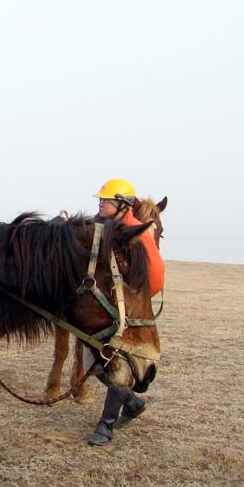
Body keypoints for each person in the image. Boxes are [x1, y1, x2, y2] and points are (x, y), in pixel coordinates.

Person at [87, 178, 165, 446]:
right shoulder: (104, 227)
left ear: (122, 205)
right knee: (94, 365)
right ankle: (132, 403)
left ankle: (106, 425)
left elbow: (147, 279)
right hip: (105, 305)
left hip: (128, 309)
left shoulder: (135, 235)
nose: (100, 203)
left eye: (105, 201)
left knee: (118, 363)